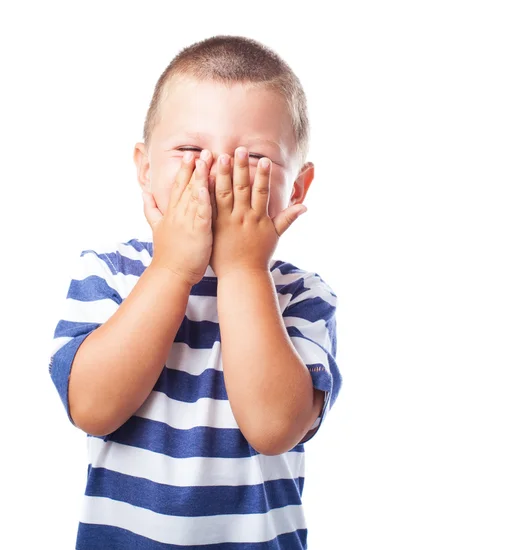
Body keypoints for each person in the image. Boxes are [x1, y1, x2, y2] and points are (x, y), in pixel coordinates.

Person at [48, 35, 342, 549]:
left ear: (297, 186)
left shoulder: (301, 294)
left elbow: (275, 428)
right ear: (145, 168)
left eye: (253, 158)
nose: (219, 174)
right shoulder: (112, 272)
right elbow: (91, 408)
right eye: (189, 150)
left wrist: (245, 270)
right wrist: (170, 270)